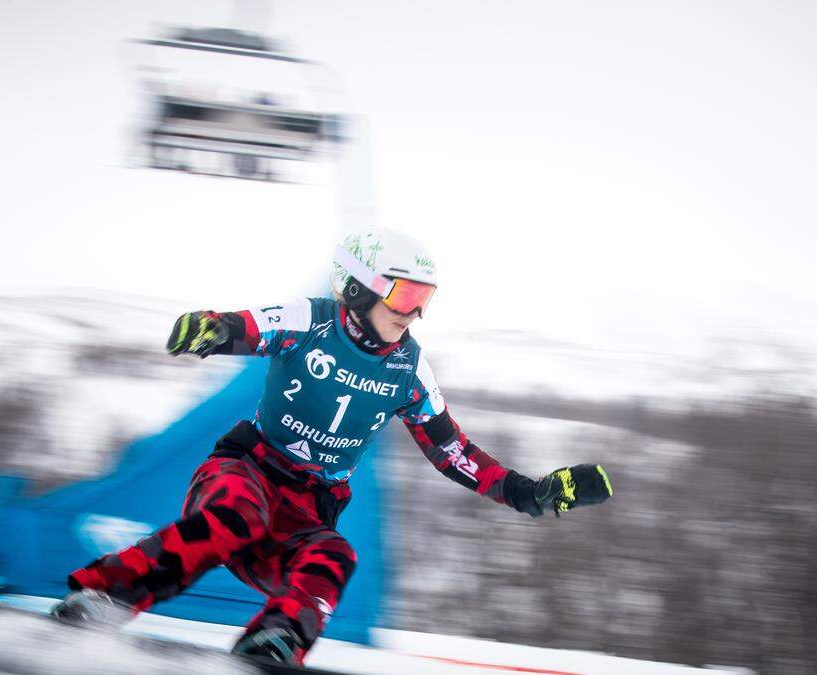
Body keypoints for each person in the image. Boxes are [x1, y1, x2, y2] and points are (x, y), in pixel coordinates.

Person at [52, 228, 614, 664]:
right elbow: (250, 326)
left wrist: (530, 493)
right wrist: (213, 329)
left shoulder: (409, 367)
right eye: (404, 292)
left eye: (426, 297)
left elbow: (453, 453)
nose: (414, 310)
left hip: (305, 509)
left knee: (334, 557)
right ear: (357, 286)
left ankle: (273, 644)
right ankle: (105, 596)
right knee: (234, 517)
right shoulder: (312, 321)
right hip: (248, 470)